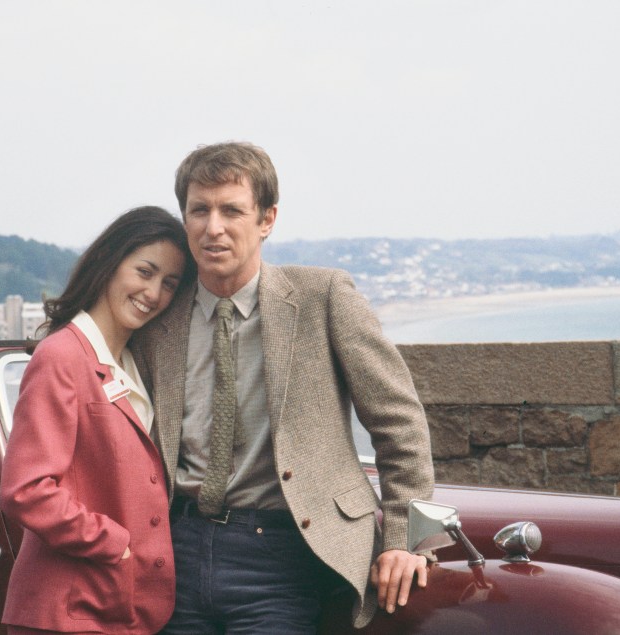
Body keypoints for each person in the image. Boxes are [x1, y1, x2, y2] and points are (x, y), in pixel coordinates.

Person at [134, 142, 434, 633]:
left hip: (282, 554)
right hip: (174, 552)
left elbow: (399, 424)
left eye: (232, 210)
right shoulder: (157, 316)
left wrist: (404, 539)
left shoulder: (324, 297)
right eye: (199, 210)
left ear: (267, 219)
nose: (214, 227)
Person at [0, 206, 196, 635]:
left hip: (114, 609)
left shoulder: (131, 362)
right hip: (65, 610)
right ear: (110, 262)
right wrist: (116, 544)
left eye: (169, 284)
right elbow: (26, 490)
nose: (154, 293)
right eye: (144, 271)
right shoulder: (62, 356)